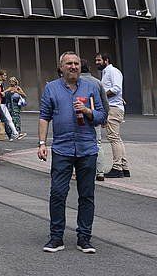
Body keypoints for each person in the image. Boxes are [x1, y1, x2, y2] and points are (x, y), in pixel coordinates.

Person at [38, 51, 107, 253]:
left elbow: (102, 116)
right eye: (69, 63)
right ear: (61, 67)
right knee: (58, 193)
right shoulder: (51, 88)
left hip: (87, 148)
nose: (73, 67)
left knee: (87, 195)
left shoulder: (92, 87)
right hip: (62, 148)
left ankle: (84, 238)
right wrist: (42, 143)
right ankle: (56, 237)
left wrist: (88, 112)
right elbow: (44, 117)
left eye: (76, 63)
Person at [94, 52, 127, 178]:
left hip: (113, 108)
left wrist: (101, 97)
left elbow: (116, 89)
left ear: (106, 60)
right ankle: (124, 167)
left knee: (113, 138)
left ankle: (117, 167)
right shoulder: (107, 72)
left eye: (99, 60)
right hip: (114, 107)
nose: (97, 63)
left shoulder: (112, 71)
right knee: (116, 138)